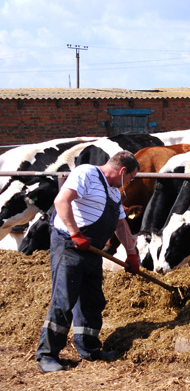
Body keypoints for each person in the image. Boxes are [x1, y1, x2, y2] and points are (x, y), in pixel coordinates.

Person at [36, 151, 141, 373]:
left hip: (93, 250)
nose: (129, 183)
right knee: (64, 299)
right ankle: (47, 355)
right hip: (70, 246)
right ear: (123, 171)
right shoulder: (86, 173)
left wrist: (132, 254)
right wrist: (75, 234)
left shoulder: (114, 192)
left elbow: (121, 226)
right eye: (131, 178)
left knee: (92, 300)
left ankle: (89, 348)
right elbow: (61, 201)